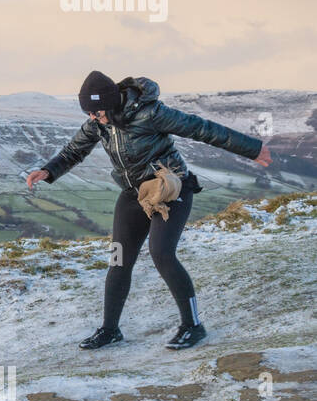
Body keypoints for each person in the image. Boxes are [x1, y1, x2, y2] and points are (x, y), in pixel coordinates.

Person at [27, 71, 271, 351]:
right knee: (118, 260)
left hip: (170, 188)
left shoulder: (150, 113)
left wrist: (252, 149)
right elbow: (73, 151)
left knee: (162, 253)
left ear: (111, 102)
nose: (93, 117)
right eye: (89, 113)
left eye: (96, 111)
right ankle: (110, 330)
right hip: (134, 195)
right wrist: (47, 171)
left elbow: (202, 128)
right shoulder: (99, 124)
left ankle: (193, 326)